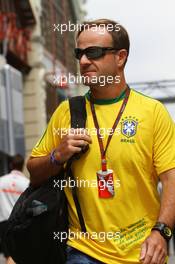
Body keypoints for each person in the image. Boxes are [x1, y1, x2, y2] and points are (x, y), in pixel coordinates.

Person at [27, 19, 175, 264]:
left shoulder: (153, 112)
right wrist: (57, 155)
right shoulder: (67, 112)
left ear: (120, 57)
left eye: (93, 52)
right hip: (82, 251)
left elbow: (171, 179)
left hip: (142, 254)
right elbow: (33, 172)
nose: (84, 61)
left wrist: (162, 232)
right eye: (80, 53)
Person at [0, 154, 29, 264]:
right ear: (23, 166)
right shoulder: (27, 183)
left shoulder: (1, 181)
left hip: (3, 223)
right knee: (16, 256)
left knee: (10, 256)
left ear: (11, 165)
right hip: (20, 223)